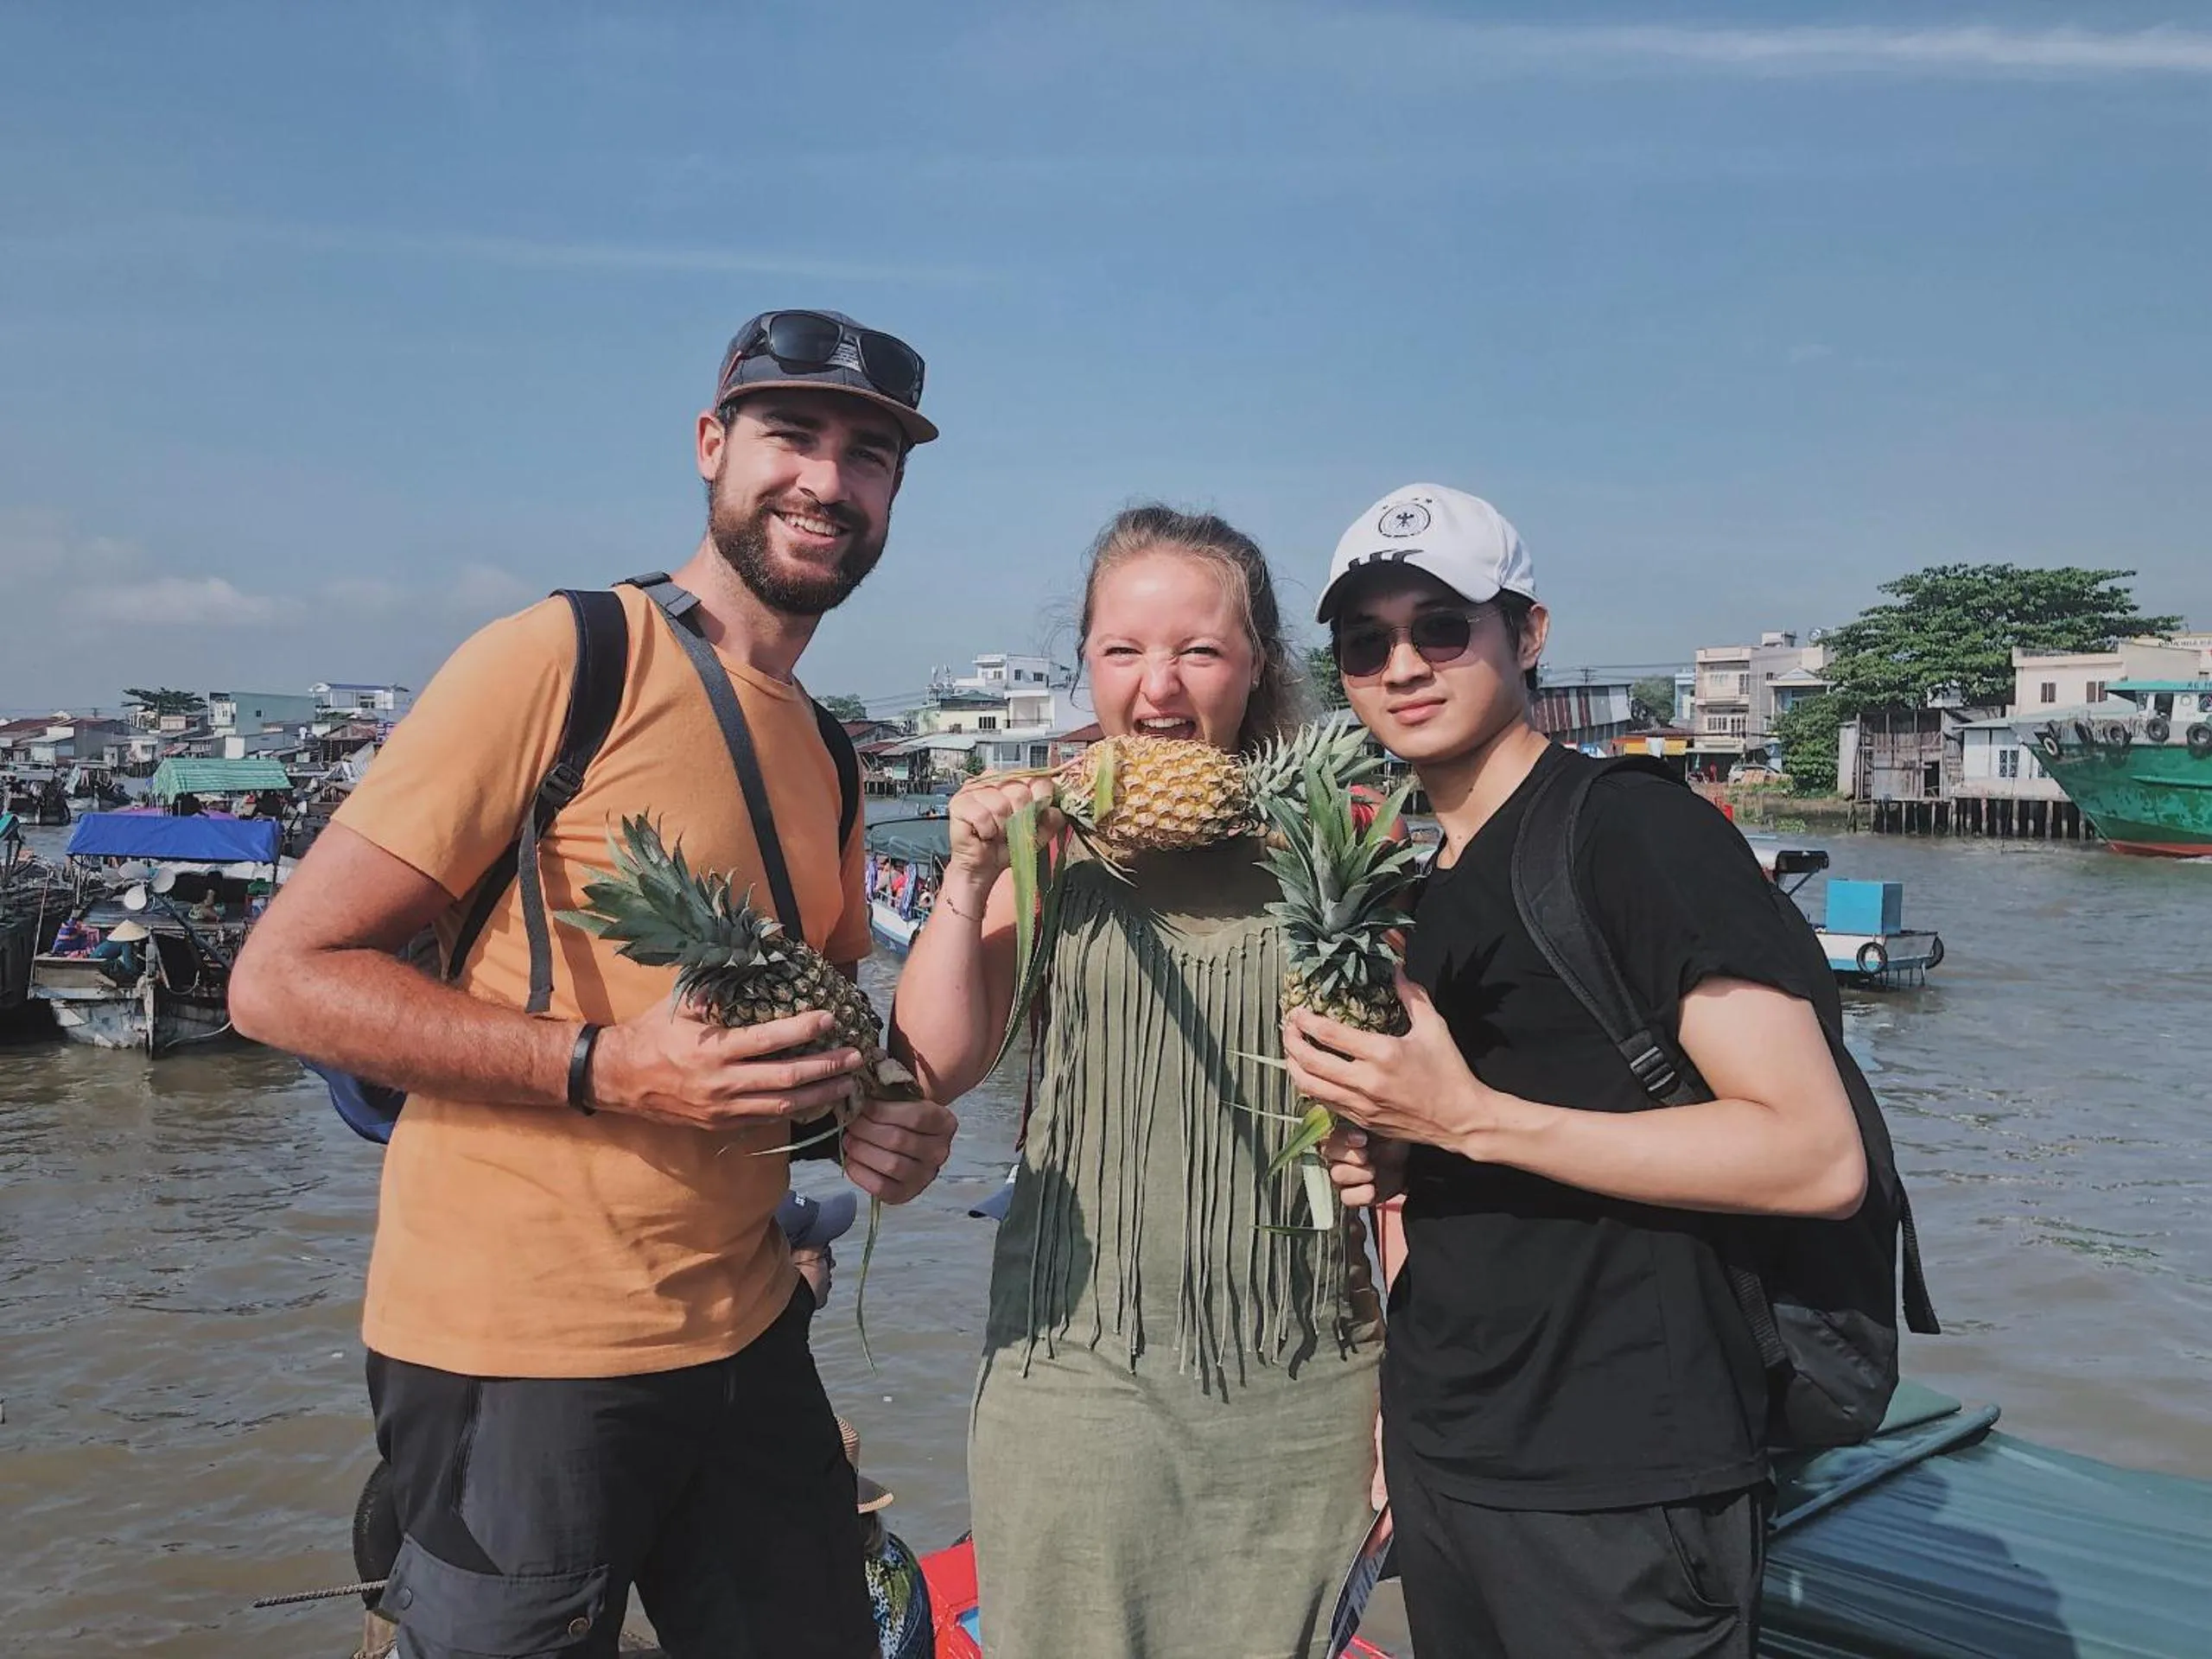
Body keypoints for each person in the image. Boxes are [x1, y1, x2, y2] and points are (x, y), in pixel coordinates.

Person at [230, 308, 959, 1659]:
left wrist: (882, 1120)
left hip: (748, 1329)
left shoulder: (831, 753)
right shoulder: (565, 659)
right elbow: (278, 981)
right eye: (790, 435)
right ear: (710, 447)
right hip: (519, 1358)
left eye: (869, 457)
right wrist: (604, 1066)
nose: (825, 480)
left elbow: (825, 1033)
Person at [1290, 485, 1867, 1659]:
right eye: (1365, 642)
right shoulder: (1425, 882)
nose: (1401, 664)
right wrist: (1406, 1142)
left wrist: (1470, 1117)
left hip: (1622, 1479)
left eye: (1441, 627)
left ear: (1529, 633)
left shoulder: (1638, 835)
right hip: (1455, 1456)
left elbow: (1815, 1156)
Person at [892, 506, 1381, 1658]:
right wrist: (967, 875)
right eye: (1124, 651)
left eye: (1199, 651)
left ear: (1258, 664)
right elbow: (938, 1061)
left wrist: (1402, 1406)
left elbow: (1393, 1142)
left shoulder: (1341, 843)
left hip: (1300, 1373)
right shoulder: (1047, 842)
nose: (1159, 686)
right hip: (1076, 1374)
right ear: (1088, 666)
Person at [91, 918, 148, 982]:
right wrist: (140, 974)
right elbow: (129, 964)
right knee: (124, 969)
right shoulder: (126, 943)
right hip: (102, 963)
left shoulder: (115, 941)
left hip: (96, 961)